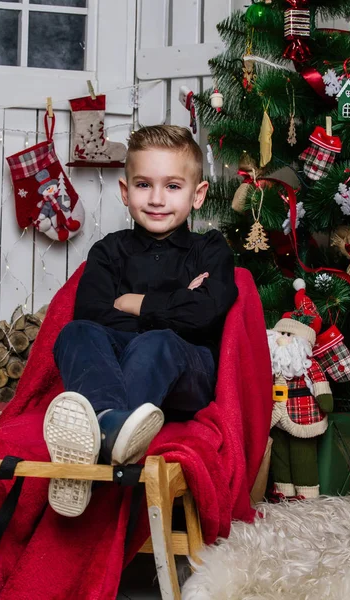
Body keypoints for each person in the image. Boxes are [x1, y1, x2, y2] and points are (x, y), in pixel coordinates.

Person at [43, 125, 238, 517]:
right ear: (125, 191)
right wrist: (178, 301)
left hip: (187, 373)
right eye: (144, 184)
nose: (156, 199)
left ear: (197, 195)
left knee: (158, 342)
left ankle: (88, 456)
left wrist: (134, 303)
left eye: (172, 186)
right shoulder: (107, 252)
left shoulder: (210, 249)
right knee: (76, 333)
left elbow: (204, 315)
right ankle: (108, 429)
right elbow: (93, 318)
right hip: (116, 372)